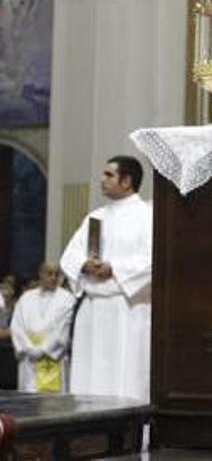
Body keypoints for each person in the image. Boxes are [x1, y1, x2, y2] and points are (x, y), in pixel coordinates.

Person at [60, 155, 152, 402]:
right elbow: (70, 255)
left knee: (126, 376)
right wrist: (84, 264)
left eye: (109, 175)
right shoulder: (96, 216)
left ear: (127, 181)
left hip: (126, 308)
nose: (102, 179)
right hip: (92, 308)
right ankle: (87, 435)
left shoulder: (146, 215)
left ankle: (128, 435)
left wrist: (115, 269)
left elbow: (153, 260)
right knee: (89, 375)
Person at [10, 262, 76, 393]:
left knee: (53, 406)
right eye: (49, 273)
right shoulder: (26, 297)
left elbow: (63, 329)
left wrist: (44, 350)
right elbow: (17, 326)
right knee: (28, 401)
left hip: (53, 358)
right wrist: (29, 348)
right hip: (29, 359)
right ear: (40, 274)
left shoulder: (67, 298)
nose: (53, 278)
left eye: (57, 274)